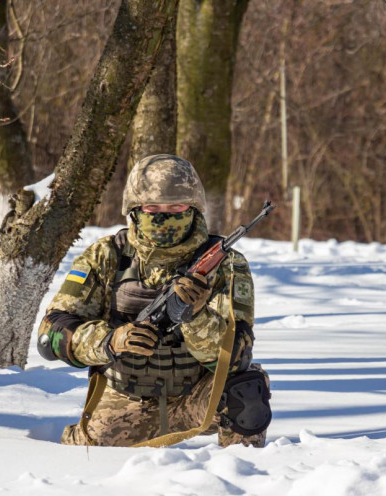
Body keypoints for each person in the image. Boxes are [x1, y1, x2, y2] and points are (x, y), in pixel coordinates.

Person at [37, 154, 271, 447]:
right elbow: (51, 335)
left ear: (194, 209)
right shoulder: (107, 255)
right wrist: (110, 340)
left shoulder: (225, 263)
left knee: (246, 391)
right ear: (134, 210)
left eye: (176, 206)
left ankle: (241, 479)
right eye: (152, 207)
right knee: (88, 456)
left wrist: (195, 317)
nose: (164, 215)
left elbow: (237, 357)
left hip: (197, 398)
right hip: (126, 399)